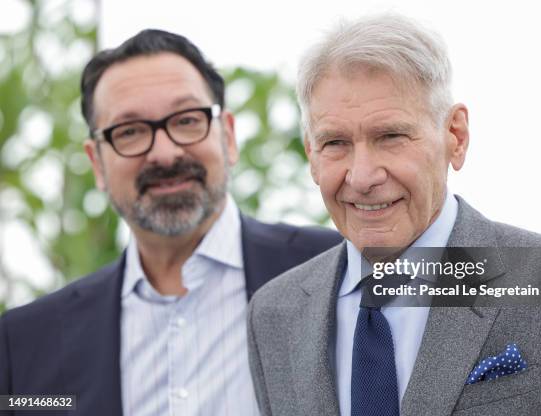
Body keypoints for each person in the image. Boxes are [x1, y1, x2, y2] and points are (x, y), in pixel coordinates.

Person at [247, 14, 541, 416]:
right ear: (311, 155)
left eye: (391, 137)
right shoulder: (274, 313)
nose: (363, 176)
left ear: (455, 136)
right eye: (335, 142)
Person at [0, 29, 341, 416]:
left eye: (187, 120)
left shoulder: (342, 266)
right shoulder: (26, 342)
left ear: (227, 136)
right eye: (129, 131)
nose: (164, 153)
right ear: (96, 162)